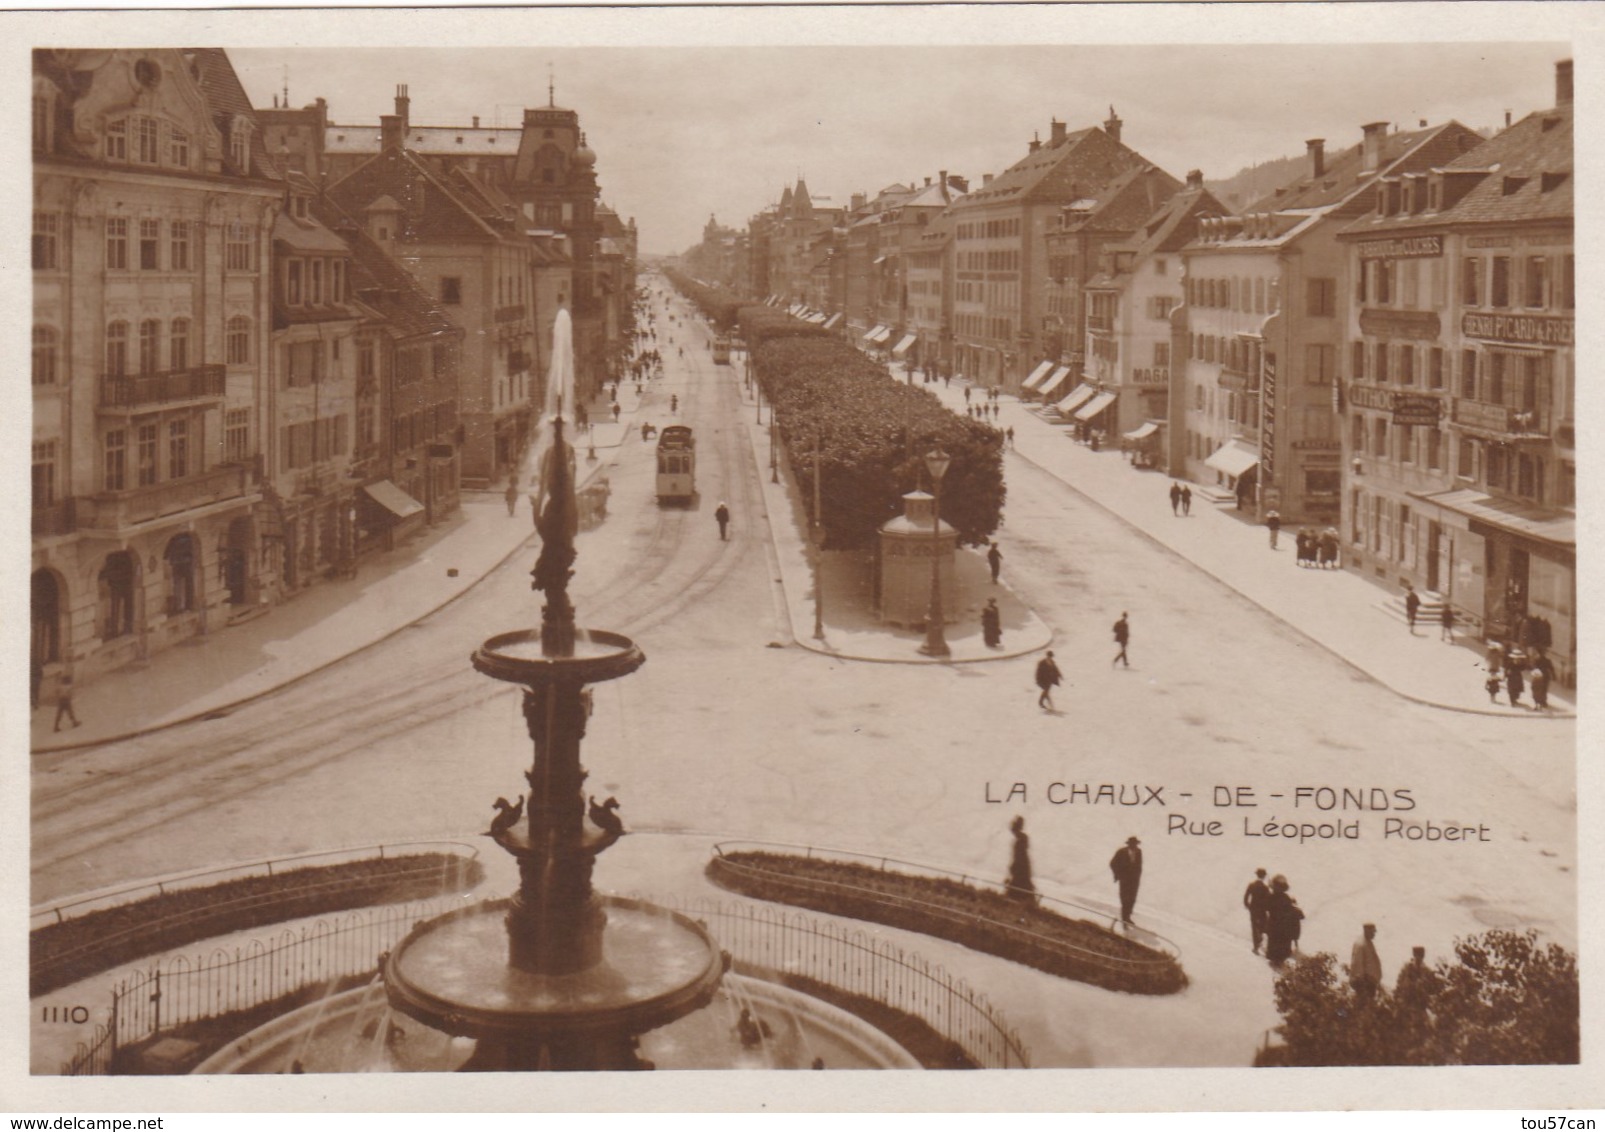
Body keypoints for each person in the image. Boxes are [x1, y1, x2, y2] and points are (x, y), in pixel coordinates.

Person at [1264, 874, 1303, 966]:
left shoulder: (1271, 897)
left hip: (1274, 925)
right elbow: (1289, 911)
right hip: (1284, 926)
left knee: (1274, 942)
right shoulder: (1286, 898)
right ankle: (1280, 960)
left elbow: (1266, 908)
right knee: (1282, 943)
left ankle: (1275, 960)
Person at [1109, 836, 1143, 926]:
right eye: (1133, 844)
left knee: (1132, 899)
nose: (1134, 846)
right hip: (1124, 880)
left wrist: (1138, 877)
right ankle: (1124, 919)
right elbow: (1112, 863)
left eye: (1135, 844)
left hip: (1135, 881)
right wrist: (1118, 875)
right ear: (1129, 844)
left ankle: (1127, 917)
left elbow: (1139, 866)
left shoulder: (1139, 852)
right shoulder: (1121, 852)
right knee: (1124, 899)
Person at [1004, 816, 1036, 905]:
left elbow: (1020, 854)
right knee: (1020, 885)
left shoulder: (1022, 838)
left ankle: (1024, 903)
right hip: (1021, 865)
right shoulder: (1020, 838)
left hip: (1021, 865)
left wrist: (1014, 866)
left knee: (1020, 884)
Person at [1350, 923, 1383, 1000]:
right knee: (1365, 1007)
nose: (1374, 934)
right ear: (1366, 930)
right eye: (1372, 931)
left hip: (1371, 984)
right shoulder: (1360, 944)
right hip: (1364, 984)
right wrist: (1362, 984)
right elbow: (1357, 965)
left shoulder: (1369, 943)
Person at [1243, 868, 1272, 955]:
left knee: (1254, 926)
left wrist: (1248, 906)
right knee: (1263, 926)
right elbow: (1269, 899)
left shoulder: (1251, 885)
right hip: (1262, 910)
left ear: (1257, 875)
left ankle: (1256, 946)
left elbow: (1246, 897)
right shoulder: (1265, 887)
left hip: (1253, 909)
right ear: (1264, 876)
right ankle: (1260, 940)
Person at [53, 668, 81, 732]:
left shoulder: (60, 686)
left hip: (60, 700)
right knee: (70, 712)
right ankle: (74, 722)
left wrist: (58, 697)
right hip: (66, 700)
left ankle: (56, 726)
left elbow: (56, 691)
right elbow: (70, 694)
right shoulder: (69, 686)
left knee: (59, 713)